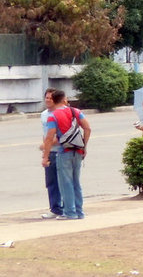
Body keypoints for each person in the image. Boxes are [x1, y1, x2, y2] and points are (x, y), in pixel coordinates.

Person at [41, 90, 91, 220]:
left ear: (54, 100)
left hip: (64, 151)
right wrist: (84, 145)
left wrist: (45, 157)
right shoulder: (76, 111)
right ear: (63, 99)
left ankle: (70, 212)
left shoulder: (52, 116)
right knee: (76, 182)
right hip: (78, 150)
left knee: (66, 183)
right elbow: (87, 128)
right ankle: (79, 211)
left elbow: (49, 138)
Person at [39, 88, 62, 219]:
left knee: (63, 182)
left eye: (51, 98)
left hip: (60, 152)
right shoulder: (44, 114)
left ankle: (65, 208)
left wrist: (47, 144)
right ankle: (55, 209)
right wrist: (45, 152)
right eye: (46, 97)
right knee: (51, 182)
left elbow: (62, 136)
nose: (48, 100)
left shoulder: (60, 113)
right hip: (49, 152)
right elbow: (45, 134)